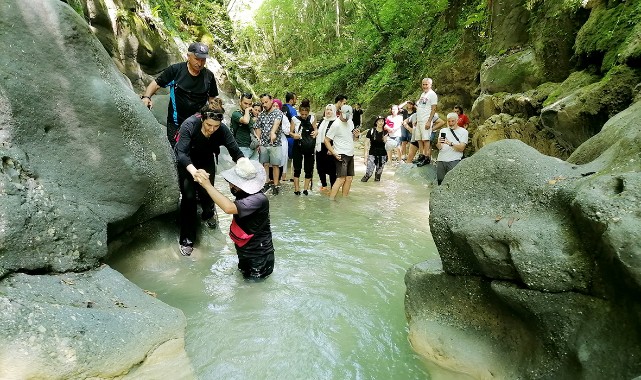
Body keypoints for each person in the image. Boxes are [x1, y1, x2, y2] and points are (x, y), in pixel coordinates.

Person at [175, 106, 244, 256]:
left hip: (206, 160)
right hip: (188, 162)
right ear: (202, 119)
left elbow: (235, 151)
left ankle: (208, 212)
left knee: (208, 191)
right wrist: (194, 171)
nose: (212, 129)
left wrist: (244, 163)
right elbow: (181, 153)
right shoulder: (189, 125)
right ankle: (187, 239)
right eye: (208, 125)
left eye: (216, 126)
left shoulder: (222, 130)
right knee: (189, 198)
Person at [195, 157, 275, 280]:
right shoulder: (243, 194)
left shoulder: (258, 199)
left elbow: (228, 208)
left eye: (232, 182)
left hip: (260, 258)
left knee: (253, 292)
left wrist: (207, 185)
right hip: (245, 253)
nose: (230, 185)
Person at [141, 42, 219, 148]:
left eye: (203, 60)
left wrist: (215, 115)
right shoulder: (176, 70)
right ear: (188, 56)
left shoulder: (208, 76)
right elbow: (157, 83)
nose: (200, 63)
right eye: (197, 58)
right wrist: (146, 97)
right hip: (176, 123)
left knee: (195, 153)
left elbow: (212, 98)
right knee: (175, 151)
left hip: (198, 123)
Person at [325, 104, 359, 201]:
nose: (346, 119)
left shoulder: (350, 122)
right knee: (341, 179)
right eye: (345, 117)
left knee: (349, 178)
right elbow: (326, 140)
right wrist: (334, 152)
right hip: (340, 154)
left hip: (350, 153)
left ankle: (344, 200)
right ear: (340, 113)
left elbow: (352, 139)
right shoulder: (336, 124)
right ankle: (331, 200)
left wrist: (356, 136)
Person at [255, 94, 284, 195]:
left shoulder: (278, 113)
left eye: (266, 102)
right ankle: (266, 183)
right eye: (263, 103)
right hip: (263, 143)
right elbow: (258, 127)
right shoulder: (262, 114)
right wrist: (258, 141)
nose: (264, 105)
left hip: (275, 144)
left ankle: (276, 185)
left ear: (271, 100)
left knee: (275, 165)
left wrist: (273, 132)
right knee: (265, 164)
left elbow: (277, 123)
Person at [291, 99, 317, 195]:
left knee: (308, 168)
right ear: (300, 111)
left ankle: (305, 189)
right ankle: (297, 189)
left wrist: (316, 132)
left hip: (309, 146)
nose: (304, 116)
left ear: (308, 112)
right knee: (297, 168)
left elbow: (316, 129)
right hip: (298, 145)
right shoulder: (294, 119)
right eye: (302, 114)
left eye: (306, 114)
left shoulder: (312, 118)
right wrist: (294, 135)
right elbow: (290, 132)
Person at [435, 112, 469, 185]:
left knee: (452, 183)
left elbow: (461, 148)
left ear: (457, 121)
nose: (450, 123)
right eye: (449, 121)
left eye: (453, 121)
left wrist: (450, 143)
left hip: (454, 160)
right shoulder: (443, 131)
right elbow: (439, 147)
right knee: (440, 182)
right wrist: (438, 143)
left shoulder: (464, 132)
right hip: (441, 159)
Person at [415, 78, 438, 165]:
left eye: (426, 84)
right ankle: (421, 156)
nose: (424, 86)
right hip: (420, 120)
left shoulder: (432, 94)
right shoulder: (423, 94)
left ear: (430, 85)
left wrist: (429, 121)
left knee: (426, 139)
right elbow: (420, 107)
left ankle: (426, 157)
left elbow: (434, 109)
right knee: (419, 139)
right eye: (423, 84)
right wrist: (417, 119)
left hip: (426, 119)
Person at [316, 104, 338, 192]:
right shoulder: (322, 121)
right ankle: (324, 185)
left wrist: (332, 148)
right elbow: (318, 131)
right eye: (327, 110)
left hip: (330, 147)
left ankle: (333, 187)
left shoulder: (336, 122)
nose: (328, 111)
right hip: (320, 147)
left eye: (330, 110)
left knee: (332, 169)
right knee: (320, 167)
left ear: (334, 112)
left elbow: (337, 136)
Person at [230, 92, 258, 160]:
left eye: (250, 104)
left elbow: (252, 127)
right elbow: (246, 121)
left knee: (255, 170)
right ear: (240, 102)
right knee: (243, 170)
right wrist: (248, 110)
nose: (247, 106)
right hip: (241, 147)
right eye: (245, 103)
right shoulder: (236, 113)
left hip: (252, 147)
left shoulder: (249, 115)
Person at [361, 116, 388, 182]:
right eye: (379, 121)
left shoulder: (386, 132)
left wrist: (386, 140)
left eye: (382, 121)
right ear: (376, 122)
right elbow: (366, 144)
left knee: (378, 176)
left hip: (382, 155)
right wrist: (365, 157)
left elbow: (389, 146)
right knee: (368, 174)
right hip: (372, 154)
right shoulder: (371, 131)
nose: (381, 123)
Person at [281, 92, 298, 181]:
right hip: (290, 137)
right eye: (295, 99)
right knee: (293, 157)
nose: (295, 101)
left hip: (281, 137)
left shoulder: (281, 107)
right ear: (291, 100)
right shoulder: (292, 110)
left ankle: (282, 177)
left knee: (283, 158)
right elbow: (295, 122)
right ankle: (292, 177)